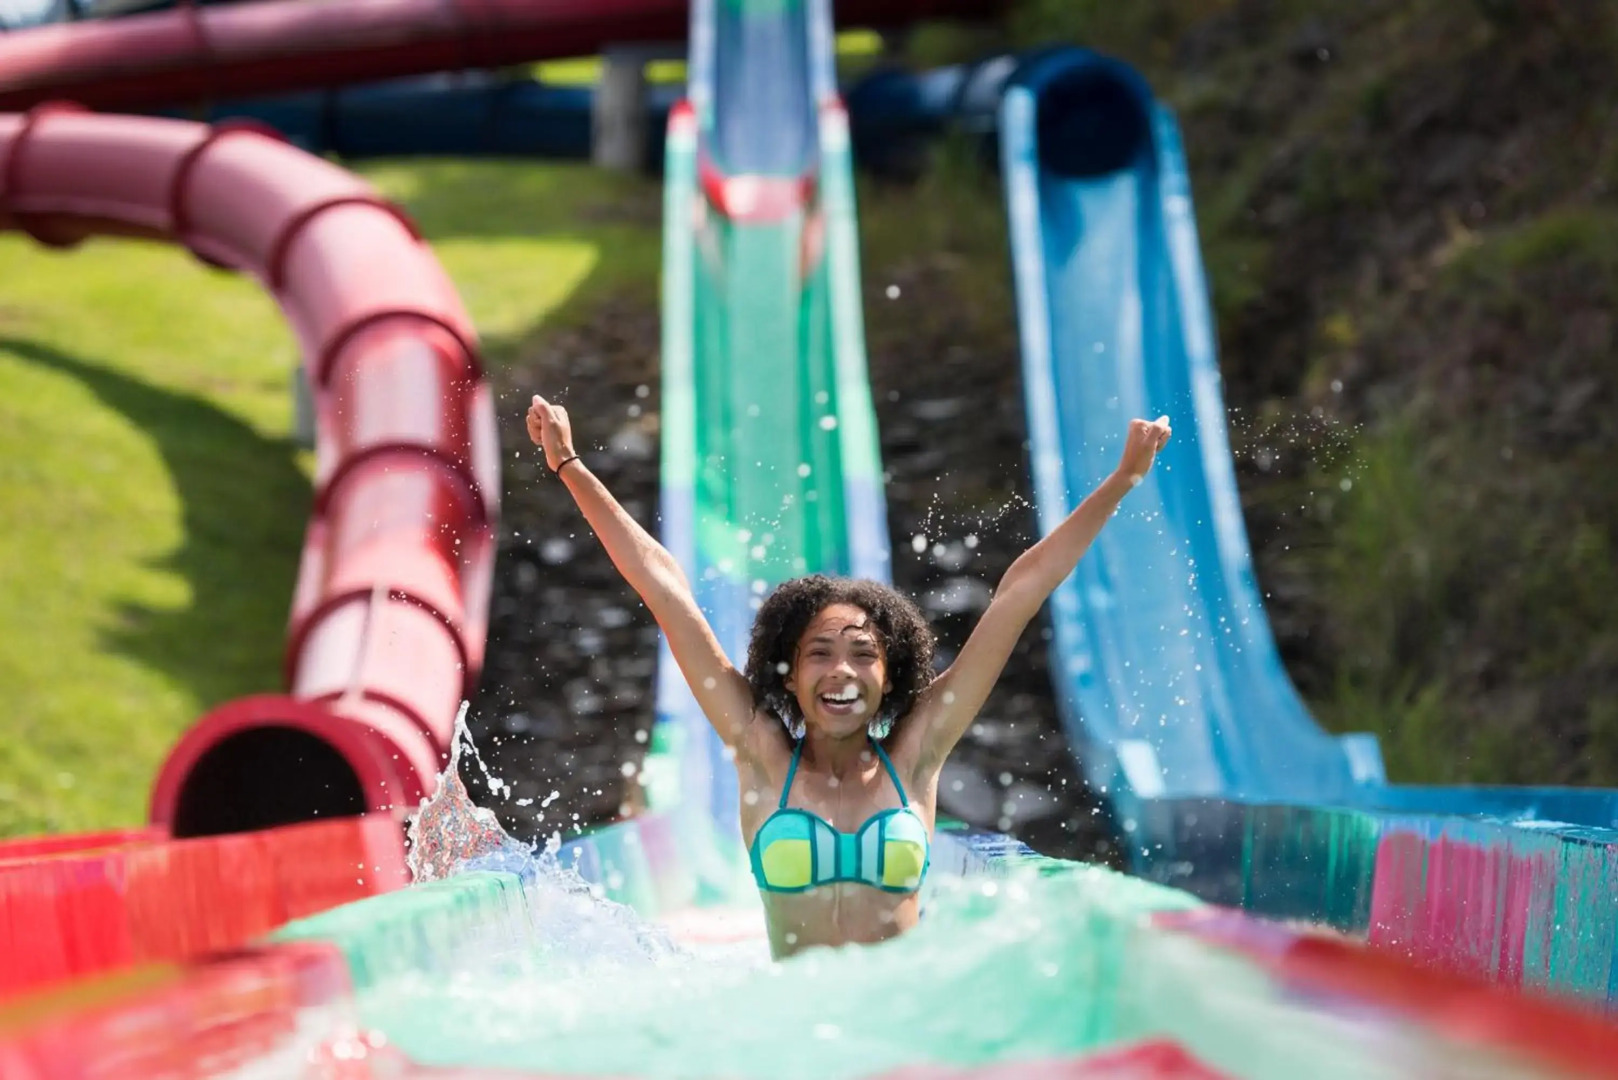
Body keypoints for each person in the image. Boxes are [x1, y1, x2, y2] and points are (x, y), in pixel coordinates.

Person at [526, 394, 1170, 958]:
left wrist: (1120, 482)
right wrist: (569, 466)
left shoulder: (916, 758)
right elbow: (666, 590)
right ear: (787, 673)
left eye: (864, 654)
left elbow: (1018, 594)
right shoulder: (761, 755)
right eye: (819, 653)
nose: (843, 670)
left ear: (891, 676)